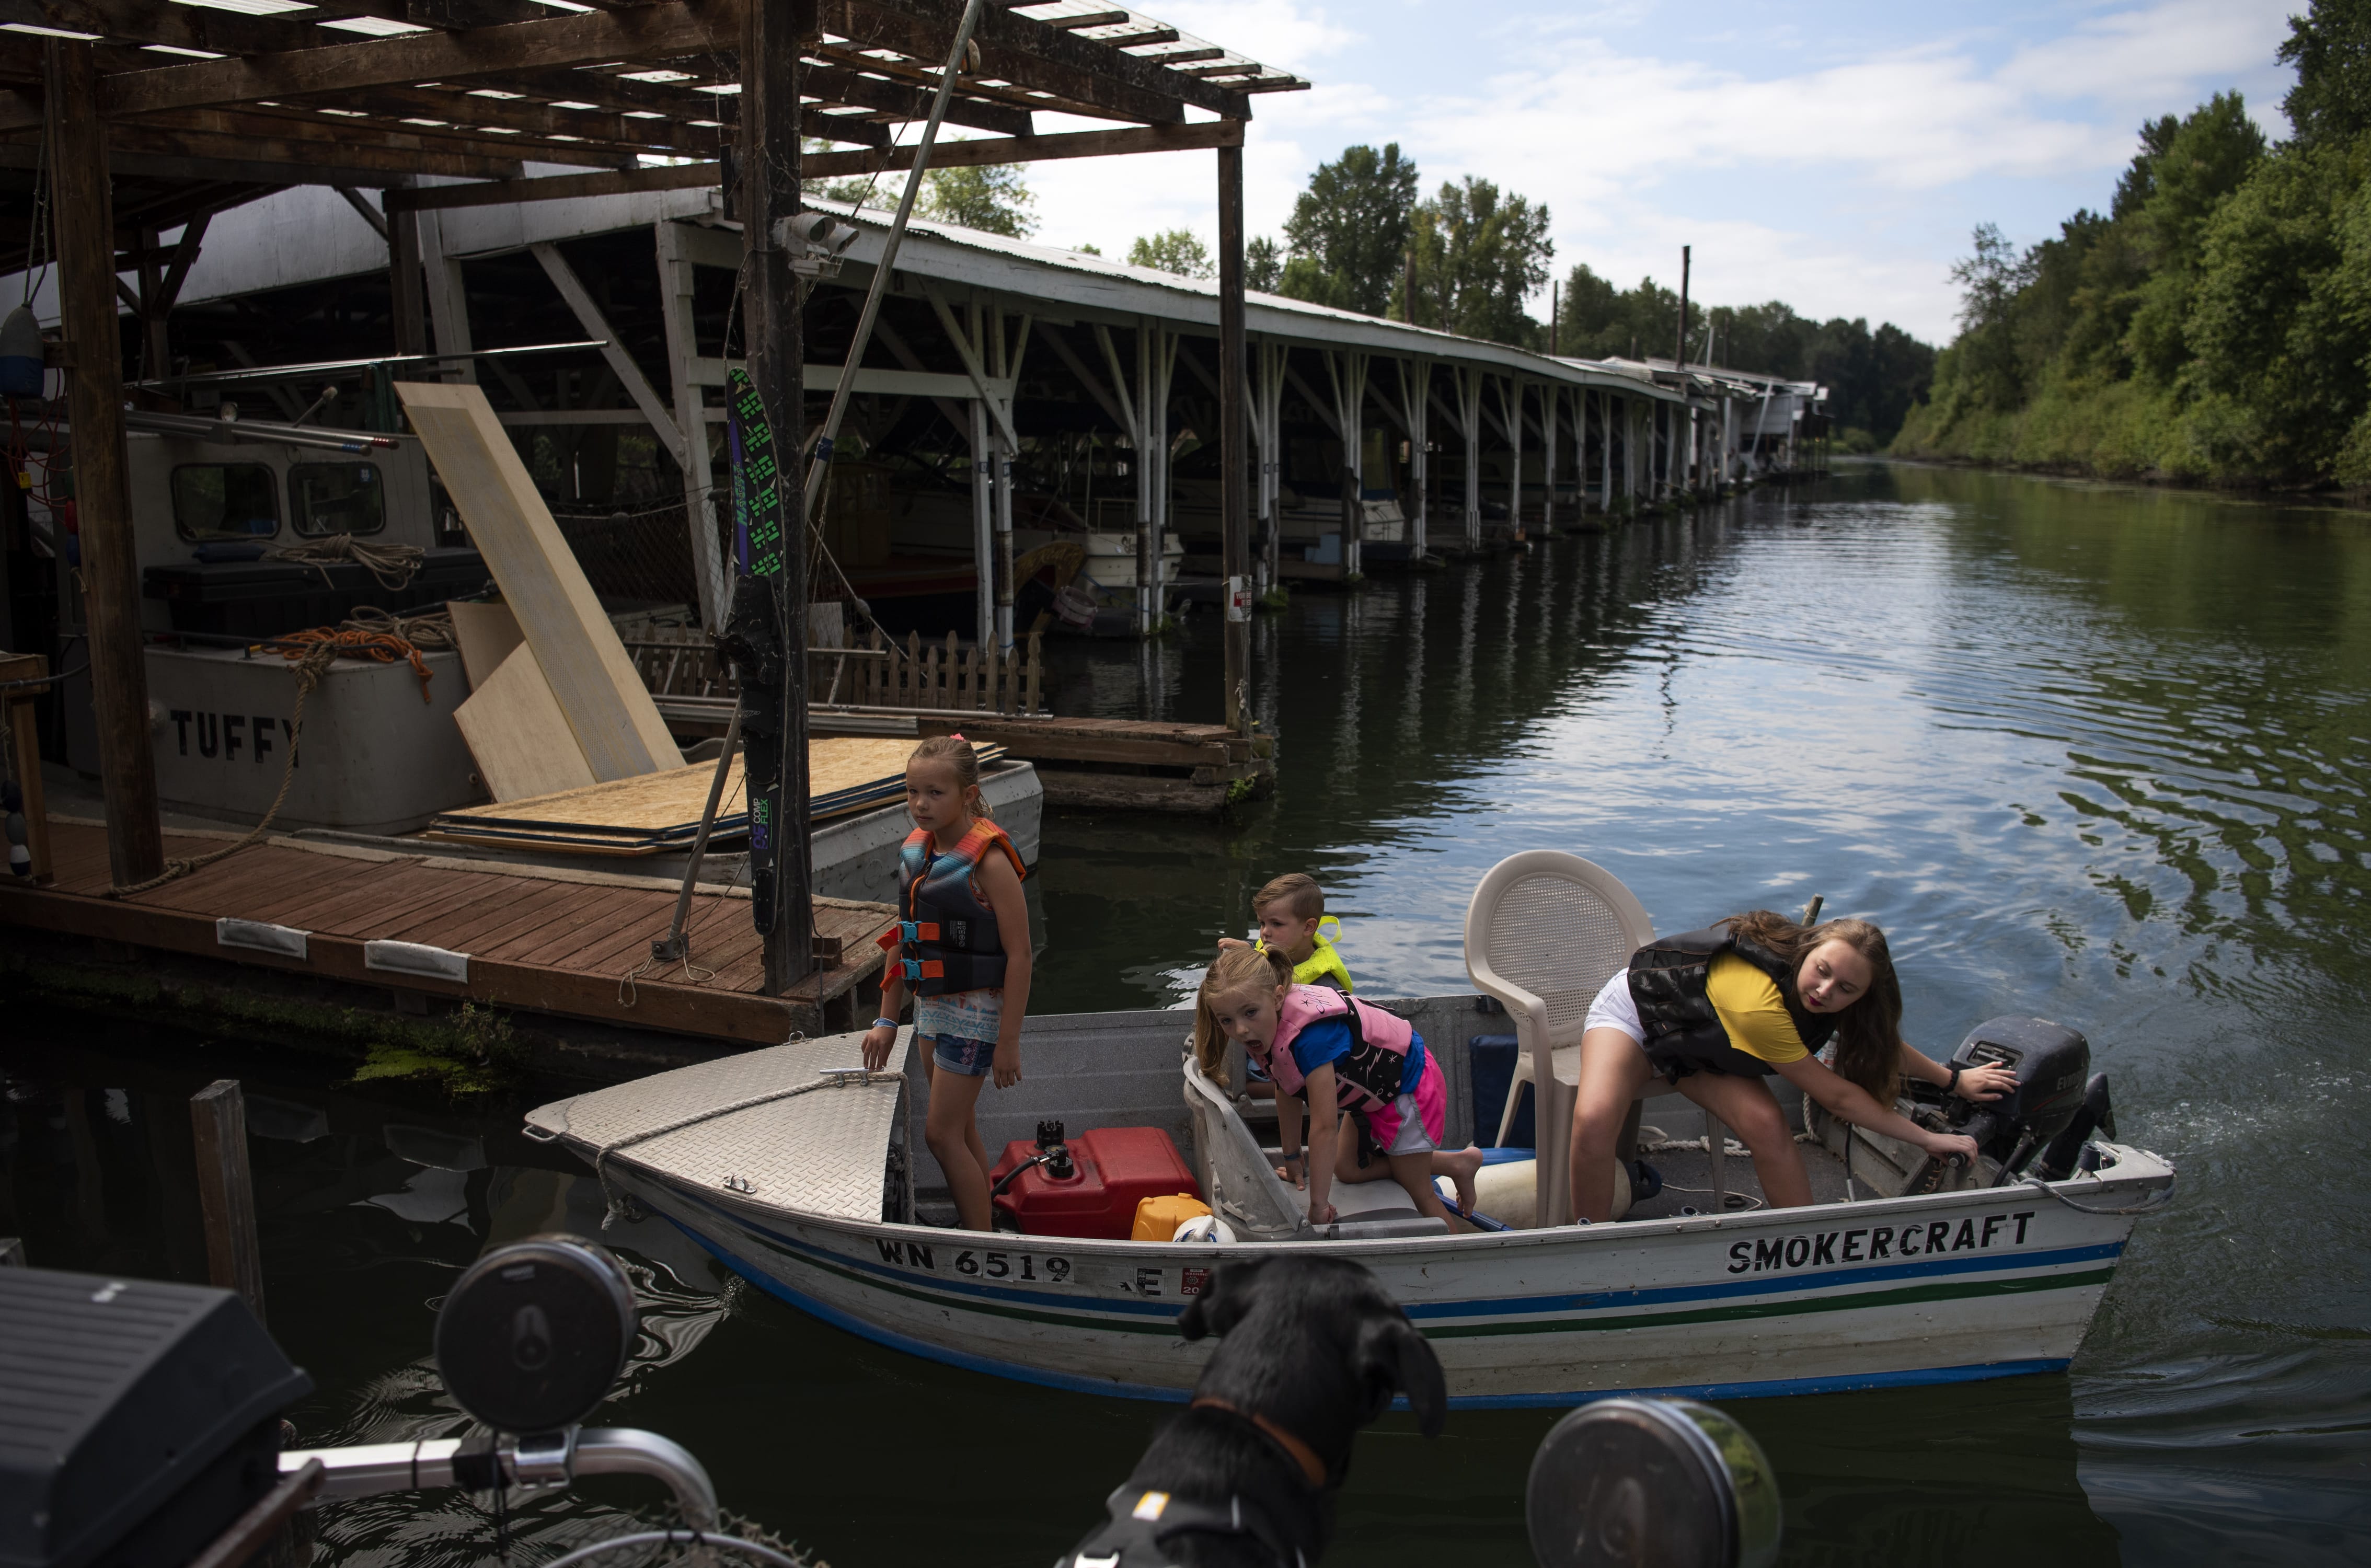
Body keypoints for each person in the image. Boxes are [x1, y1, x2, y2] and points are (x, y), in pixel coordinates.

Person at [1569, 910, 2014, 1223]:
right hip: (1641, 1016)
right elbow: (1836, 1096)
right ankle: (1590, 1243)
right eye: (1821, 971)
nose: (1824, 991)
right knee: (1594, 1121)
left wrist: (1953, 1080)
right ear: (1808, 950)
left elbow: (1879, 1044)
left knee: (1766, 1123)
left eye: (1845, 989)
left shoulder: (1831, 995)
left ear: (1862, 996)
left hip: (1699, 1044)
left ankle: (1801, 1238)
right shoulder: (1759, 1007)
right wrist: (1927, 1138)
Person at [862, 736, 1031, 1232]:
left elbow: (1020, 955)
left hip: (977, 1012)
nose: (920, 804)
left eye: (935, 793)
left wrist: (1009, 1042)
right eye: (912, 791)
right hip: (931, 1008)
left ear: (969, 794)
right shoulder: (916, 853)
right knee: (960, 1129)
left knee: (940, 1135)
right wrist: (887, 1019)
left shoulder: (990, 863)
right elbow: (902, 937)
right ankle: (989, 1223)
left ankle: (980, 1245)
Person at [1194, 947, 1484, 1229]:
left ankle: (1460, 1255)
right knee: (1347, 1170)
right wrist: (1292, 1157)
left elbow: (1323, 1127)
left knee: (1419, 1190)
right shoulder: (1265, 1029)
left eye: (1250, 1013)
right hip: (1373, 1093)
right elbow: (1287, 1090)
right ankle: (1453, 1164)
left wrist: (1319, 1205)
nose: (1241, 1030)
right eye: (1227, 1021)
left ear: (1278, 997)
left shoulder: (1311, 1040)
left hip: (1407, 1086)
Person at [1215, 873, 1354, 1186]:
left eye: (1276, 925)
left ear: (1309, 928)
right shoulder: (1284, 950)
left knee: (1250, 1082)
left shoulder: (1325, 986)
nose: (1265, 932)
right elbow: (1273, 965)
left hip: (1325, 1071)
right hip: (1289, 1063)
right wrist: (1250, 953)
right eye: (1262, 923)